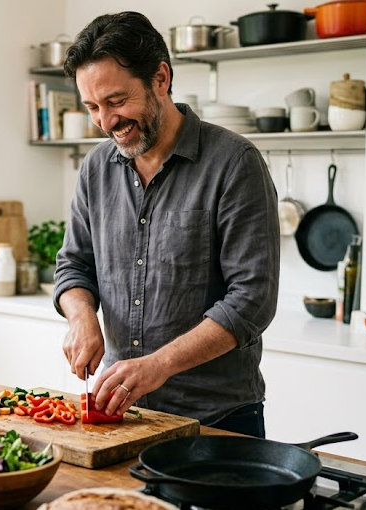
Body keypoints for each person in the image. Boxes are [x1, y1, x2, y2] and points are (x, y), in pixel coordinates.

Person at [54, 12, 280, 437]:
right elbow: (73, 265)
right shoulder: (95, 169)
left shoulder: (234, 163)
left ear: (160, 78)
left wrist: (159, 365)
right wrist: (81, 315)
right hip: (127, 415)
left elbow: (252, 299)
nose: (105, 122)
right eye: (92, 107)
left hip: (216, 421)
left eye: (117, 101)